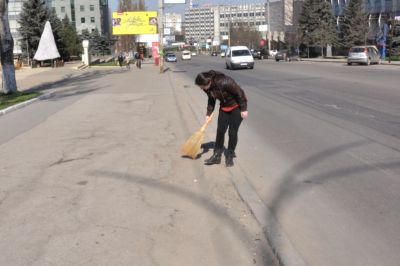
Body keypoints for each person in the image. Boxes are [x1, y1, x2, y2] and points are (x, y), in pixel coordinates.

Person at [195, 70, 248, 167]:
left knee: (232, 132)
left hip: (236, 107)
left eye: (202, 86)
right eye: (200, 87)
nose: (201, 89)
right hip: (224, 108)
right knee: (220, 131)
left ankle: (230, 155)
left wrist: (244, 109)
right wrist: (208, 114)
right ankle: (217, 156)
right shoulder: (206, 88)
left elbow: (240, 93)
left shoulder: (225, 81)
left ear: (208, 82)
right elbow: (211, 99)